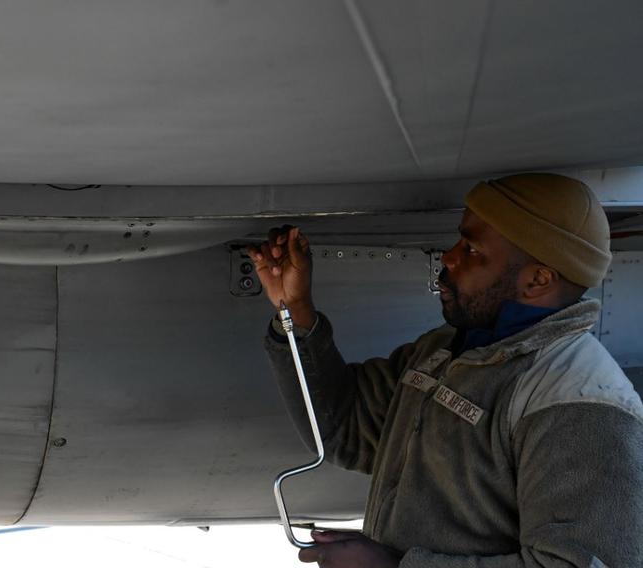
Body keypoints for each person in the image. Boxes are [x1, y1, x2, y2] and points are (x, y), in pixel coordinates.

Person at [248, 173, 643, 567]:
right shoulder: (446, 348)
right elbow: (344, 427)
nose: (449, 257)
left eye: (472, 250)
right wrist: (295, 312)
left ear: (538, 279)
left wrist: (392, 566)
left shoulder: (579, 403)